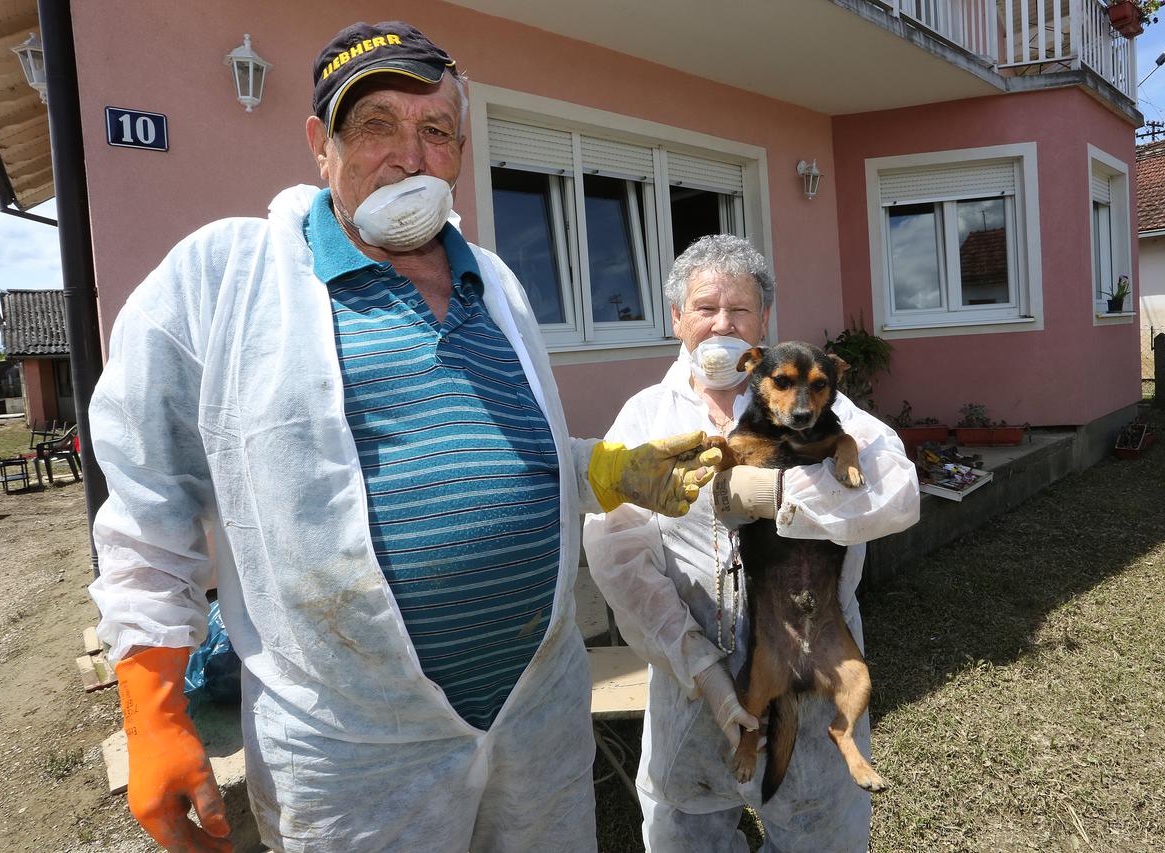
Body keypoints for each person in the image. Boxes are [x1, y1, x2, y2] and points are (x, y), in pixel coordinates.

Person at [88, 21, 719, 853]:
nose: (410, 157)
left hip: (537, 717)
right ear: (320, 143)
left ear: (459, 149)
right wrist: (153, 712)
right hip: (354, 752)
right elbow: (147, 511)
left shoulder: (493, 283)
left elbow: (513, 458)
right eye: (376, 125)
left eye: (435, 131)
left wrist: (608, 467)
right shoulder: (225, 279)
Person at [583, 235, 921, 852]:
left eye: (738, 309)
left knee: (820, 837)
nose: (721, 324)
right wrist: (702, 671)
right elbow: (618, 554)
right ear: (676, 319)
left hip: (814, 666)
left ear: (763, 320)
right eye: (704, 307)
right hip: (690, 692)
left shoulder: (810, 397)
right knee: (685, 834)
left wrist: (783, 495)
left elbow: (899, 493)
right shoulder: (644, 417)